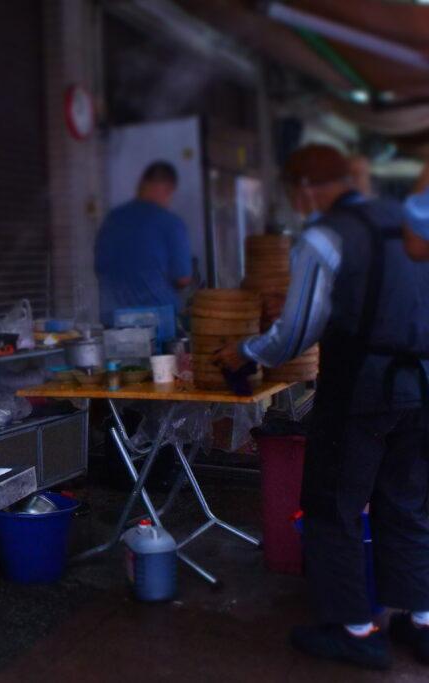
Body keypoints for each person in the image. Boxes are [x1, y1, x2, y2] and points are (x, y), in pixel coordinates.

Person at [214, 144, 429, 670]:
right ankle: (423, 623)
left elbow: (296, 332)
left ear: (306, 187)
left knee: (333, 505)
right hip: (422, 385)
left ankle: (355, 632)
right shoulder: (407, 221)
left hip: (361, 389)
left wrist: (243, 352)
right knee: (408, 502)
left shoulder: (324, 237)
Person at [94, 160, 192, 326]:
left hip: (114, 322)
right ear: (168, 188)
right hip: (158, 321)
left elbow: (100, 267)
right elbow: (182, 278)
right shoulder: (170, 222)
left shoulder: (113, 219)